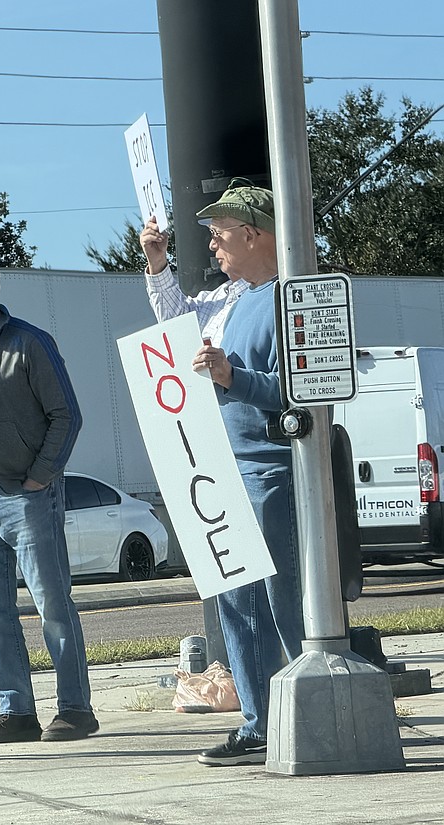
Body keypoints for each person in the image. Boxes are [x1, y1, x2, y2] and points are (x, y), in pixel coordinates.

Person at [0, 242, 99, 745]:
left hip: (27, 498)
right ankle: (16, 712)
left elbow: (66, 415)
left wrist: (39, 478)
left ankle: (75, 709)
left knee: (52, 604)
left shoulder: (30, 343)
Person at [187, 181, 305, 766]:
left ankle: (303, 712)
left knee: (282, 603)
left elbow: (302, 392)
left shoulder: (290, 299)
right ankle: (259, 723)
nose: (212, 246)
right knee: (236, 603)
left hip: (268, 474)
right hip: (228, 473)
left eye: (219, 234)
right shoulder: (240, 302)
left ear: (253, 234)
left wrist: (232, 377)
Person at [140, 207, 249, 347]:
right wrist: (157, 262)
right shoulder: (217, 298)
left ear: (249, 235)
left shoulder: (271, 298)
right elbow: (175, 326)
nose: (212, 245)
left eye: (217, 233)